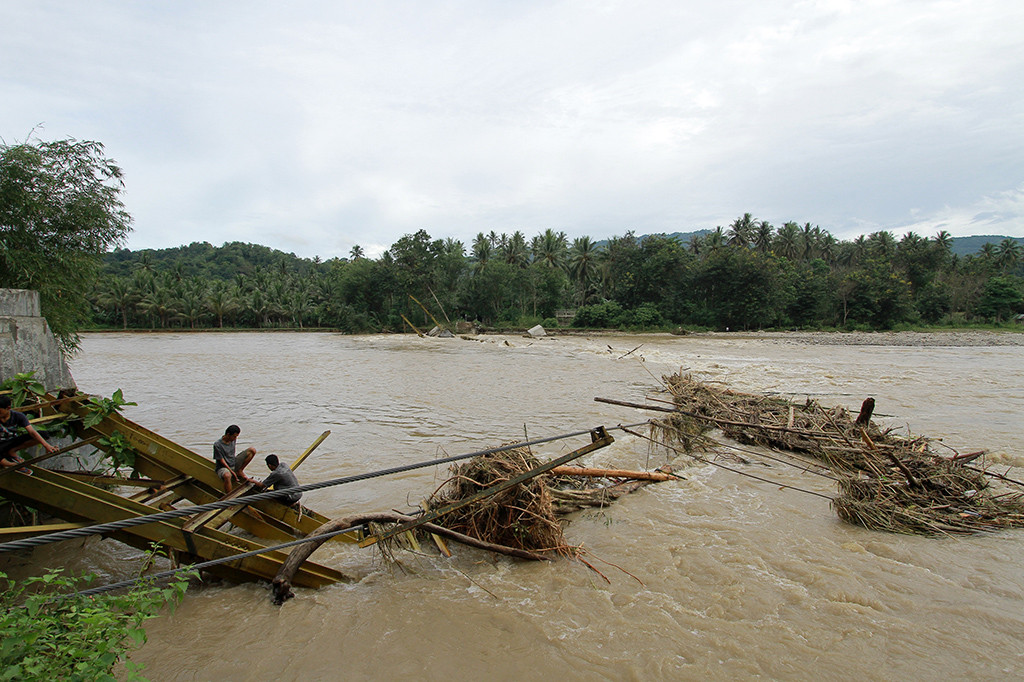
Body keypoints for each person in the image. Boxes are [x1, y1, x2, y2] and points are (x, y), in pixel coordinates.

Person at [0, 395, 58, 474]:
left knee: (44, 434)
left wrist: (47, 446)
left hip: (11, 441)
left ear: (8, 408)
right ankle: (12, 464)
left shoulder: (18, 416)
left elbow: (32, 432)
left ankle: (12, 451)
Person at [213, 424, 257, 492]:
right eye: (234, 436)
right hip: (223, 467)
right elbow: (221, 460)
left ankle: (240, 471)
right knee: (227, 476)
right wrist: (232, 472)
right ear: (228, 434)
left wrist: (236, 470)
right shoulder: (217, 445)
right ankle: (229, 496)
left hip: (233, 462)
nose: (235, 439)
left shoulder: (232, 440)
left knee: (252, 450)